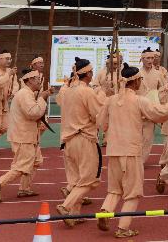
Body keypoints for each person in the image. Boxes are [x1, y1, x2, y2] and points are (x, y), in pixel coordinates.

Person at [96, 63, 168, 238]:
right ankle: (123, 227)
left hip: (113, 150)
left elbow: (101, 124)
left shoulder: (111, 100)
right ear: (136, 82)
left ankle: (105, 212)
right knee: (133, 192)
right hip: (131, 150)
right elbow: (162, 113)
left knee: (114, 189)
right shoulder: (139, 100)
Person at [0, 68, 51, 202]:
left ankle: (24, 189)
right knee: (21, 166)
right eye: (37, 79)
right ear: (29, 80)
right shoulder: (24, 94)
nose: (40, 82)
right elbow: (33, 113)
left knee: (35, 161)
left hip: (29, 136)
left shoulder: (28, 93)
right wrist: (41, 99)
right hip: (23, 136)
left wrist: (41, 98)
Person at [56, 57, 104, 225]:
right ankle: (66, 206)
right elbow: (98, 114)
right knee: (89, 180)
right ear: (88, 73)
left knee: (75, 180)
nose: (93, 74)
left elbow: (60, 102)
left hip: (68, 141)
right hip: (83, 139)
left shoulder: (67, 90)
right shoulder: (87, 91)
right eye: (91, 71)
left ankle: (73, 216)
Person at [138, 50, 165, 163]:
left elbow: (163, 91)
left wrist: (162, 108)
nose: (150, 60)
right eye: (147, 58)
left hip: (151, 109)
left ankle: (141, 162)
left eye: (152, 58)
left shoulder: (159, 74)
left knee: (148, 138)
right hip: (137, 109)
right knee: (137, 138)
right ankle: (135, 159)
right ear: (142, 59)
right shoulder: (137, 73)